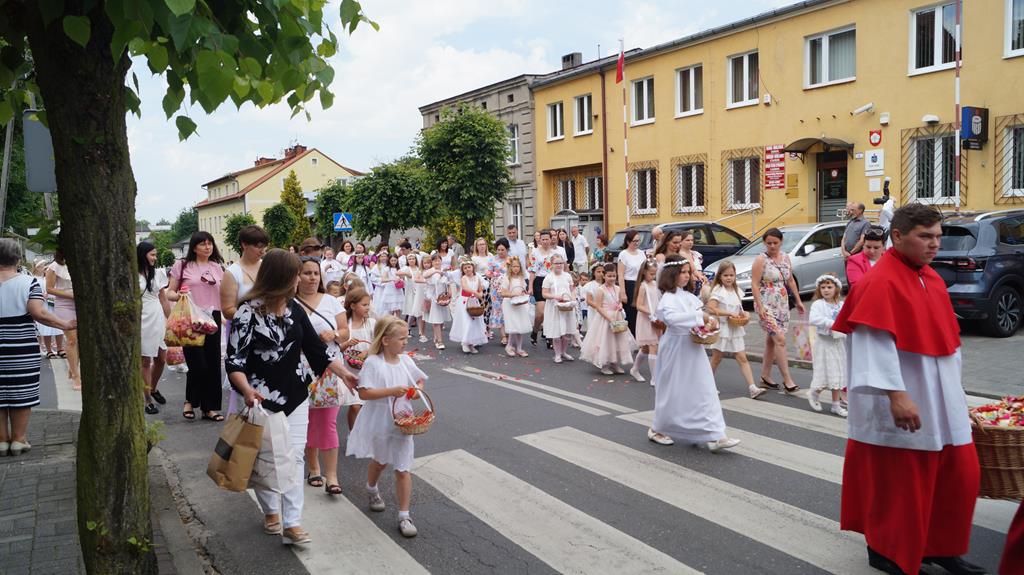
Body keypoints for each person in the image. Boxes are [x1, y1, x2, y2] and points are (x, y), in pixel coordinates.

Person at [833, 204, 985, 575]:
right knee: (902, 481)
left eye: (937, 236)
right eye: (925, 236)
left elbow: (945, 345)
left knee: (957, 474)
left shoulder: (930, 277)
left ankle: (940, 545)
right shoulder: (879, 281)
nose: (934, 244)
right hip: (903, 396)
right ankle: (887, 550)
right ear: (897, 236)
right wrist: (896, 396)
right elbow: (872, 344)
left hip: (940, 398)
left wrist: (956, 397)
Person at [226, 249, 358, 546]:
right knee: (268, 457)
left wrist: (344, 373)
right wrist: (246, 390)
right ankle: (271, 510)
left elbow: (316, 350)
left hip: (297, 395)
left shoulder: (294, 308)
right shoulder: (248, 312)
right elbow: (234, 360)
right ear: (281, 277)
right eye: (296, 274)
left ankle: (293, 522)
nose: (301, 279)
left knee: (294, 456)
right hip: (261, 398)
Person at [647, 255, 741, 452]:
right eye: (682, 272)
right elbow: (672, 319)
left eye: (688, 272)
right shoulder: (667, 299)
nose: (686, 276)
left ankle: (715, 435)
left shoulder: (688, 296)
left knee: (704, 388)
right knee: (673, 390)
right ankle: (658, 428)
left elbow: (701, 314)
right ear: (672, 275)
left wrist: (709, 321)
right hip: (675, 348)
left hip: (693, 348)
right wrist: (700, 317)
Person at [346, 316, 427, 538]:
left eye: (406, 337)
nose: (405, 342)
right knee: (380, 461)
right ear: (385, 340)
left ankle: (404, 515)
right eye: (401, 338)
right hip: (381, 418)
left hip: (403, 420)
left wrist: (416, 390)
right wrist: (392, 391)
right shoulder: (373, 363)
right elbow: (363, 392)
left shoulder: (406, 361)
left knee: (403, 467)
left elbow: (419, 380)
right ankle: (372, 488)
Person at [0, 240, 75, 456]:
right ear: (17, 258)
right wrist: (65, 324)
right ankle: (19, 439)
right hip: (20, 345)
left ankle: (2, 440)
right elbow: (39, 313)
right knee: (22, 391)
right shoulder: (28, 282)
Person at [295, 256, 352, 496]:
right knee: (305, 421)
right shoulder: (289, 302)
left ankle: (332, 476)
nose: (311, 277)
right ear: (297, 276)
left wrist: (334, 334)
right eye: (306, 273)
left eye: (315, 273)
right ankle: (314, 467)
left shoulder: (330, 301)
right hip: (298, 369)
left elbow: (345, 332)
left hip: (329, 369)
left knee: (327, 422)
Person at [167, 231, 227, 421]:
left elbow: (224, 294)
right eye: (203, 244)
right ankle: (190, 401)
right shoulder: (183, 265)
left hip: (212, 317)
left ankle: (210, 408)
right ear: (194, 247)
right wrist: (179, 295)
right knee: (197, 364)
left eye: (210, 243)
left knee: (212, 363)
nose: (207, 247)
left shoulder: (217, 267)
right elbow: (169, 292)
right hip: (190, 317)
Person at [750, 228, 806, 394]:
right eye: (769, 243)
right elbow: (754, 283)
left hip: (781, 303)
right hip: (766, 303)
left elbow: (790, 280)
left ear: (781, 242)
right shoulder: (761, 259)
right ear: (764, 243)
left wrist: (798, 300)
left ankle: (765, 376)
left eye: (775, 243)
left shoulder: (786, 258)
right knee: (780, 339)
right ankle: (787, 379)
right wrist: (760, 306)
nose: (772, 246)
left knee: (771, 340)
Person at [705, 261, 764, 400]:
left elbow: (739, 309)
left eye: (731, 275)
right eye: (726, 275)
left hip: (735, 328)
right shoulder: (718, 291)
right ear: (720, 276)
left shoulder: (737, 291)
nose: (729, 278)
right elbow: (711, 308)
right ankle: (706, 384)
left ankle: (752, 387)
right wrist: (728, 314)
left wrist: (746, 315)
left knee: (742, 357)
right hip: (723, 328)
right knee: (716, 359)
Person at [580, 263, 635, 375]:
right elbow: (599, 306)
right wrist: (608, 317)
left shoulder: (618, 288)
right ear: (604, 276)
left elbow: (619, 301)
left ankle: (615, 363)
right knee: (606, 340)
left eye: (614, 276)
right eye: (609, 276)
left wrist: (620, 306)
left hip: (616, 316)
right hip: (605, 317)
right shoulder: (601, 290)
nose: (612, 278)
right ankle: (604, 364)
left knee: (617, 340)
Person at [807, 274, 847, 417]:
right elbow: (814, 319)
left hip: (837, 342)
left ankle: (835, 405)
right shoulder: (818, 304)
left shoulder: (841, 305)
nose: (826, 290)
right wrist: (832, 323)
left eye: (829, 287)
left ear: (836, 288)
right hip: (824, 343)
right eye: (823, 287)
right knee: (826, 372)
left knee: (837, 373)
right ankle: (814, 392)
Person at [138, 242, 169, 415]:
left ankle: (154, 388)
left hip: (157, 316)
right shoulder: (132, 275)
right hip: (142, 318)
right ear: (143, 255)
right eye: (152, 254)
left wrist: (171, 320)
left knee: (161, 358)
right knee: (145, 360)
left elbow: (163, 299)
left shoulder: (158, 274)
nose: (155, 258)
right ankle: (147, 399)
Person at [45, 249, 80, 390]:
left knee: (79, 340)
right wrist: (70, 295)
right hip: (64, 304)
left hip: (80, 304)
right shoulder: (54, 267)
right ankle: (76, 378)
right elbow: (49, 289)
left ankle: (73, 369)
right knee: (71, 339)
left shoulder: (79, 264)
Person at [221, 225, 268, 320]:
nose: (262, 251)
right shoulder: (232, 272)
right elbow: (227, 310)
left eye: (265, 246)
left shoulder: (268, 266)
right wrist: (255, 313)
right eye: (258, 247)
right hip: (245, 329)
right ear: (244, 245)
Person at [528, 229, 561, 346]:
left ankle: (549, 337)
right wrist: (530, 287)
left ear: (551, 239)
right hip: (539, 281)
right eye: (543, 239)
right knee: (541, 313)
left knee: (550, 312)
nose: (546, 241)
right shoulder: (535, 253)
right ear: (539, 240)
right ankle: (535, 331)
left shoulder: (555, 253)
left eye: (547, 239)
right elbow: (532, 271)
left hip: (552, 282)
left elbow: (560, 268)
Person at [542, 254, 577, 363]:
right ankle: (557, 354)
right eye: (556, 263)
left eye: (561, 263)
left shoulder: (567, 276)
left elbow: (572, 290)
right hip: (554, 307)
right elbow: (544, 294)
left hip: (566, 306)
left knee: (567, 330)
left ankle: (564, 352)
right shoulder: (549, 277)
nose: (559, 265)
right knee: (556, 331)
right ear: (551, 264)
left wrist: (572, 298)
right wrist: (555, 297)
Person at [630, 259, 659, 382]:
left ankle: (635, 369)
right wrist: (650, 312)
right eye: (651, 273)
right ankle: (654, 377)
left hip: (654, 319)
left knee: (646, 349)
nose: (653, 276)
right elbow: (639, 305)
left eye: (655, 273)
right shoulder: (643, 286)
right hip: (646, 319)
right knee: (653, 347)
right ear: (644, 272)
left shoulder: (655, 284)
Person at [452, 258, 487, 354]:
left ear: (473, 268)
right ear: (462, 270)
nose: (467, 269)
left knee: (474, 322)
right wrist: (476, 293)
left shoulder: (477, 278)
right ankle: (465, 342)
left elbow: (480, 289)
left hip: (474, 301)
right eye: (465, 268)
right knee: (467, 321)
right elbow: (465, 288)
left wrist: (480, 294)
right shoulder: (464, 278)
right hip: (465, 301)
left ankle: (472, 342)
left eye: (469, 267)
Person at [499, 256, 531, 357]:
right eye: (513, 266)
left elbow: (522, 290)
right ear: (510, 267)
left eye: (518, 266)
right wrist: (513, 295)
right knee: (514, 326)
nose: (516, 268)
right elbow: (503, 293)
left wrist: (524, 293)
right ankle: (509, 345)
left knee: (520, 326)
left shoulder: (522, 278)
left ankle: (519, 348)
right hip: (509, 304)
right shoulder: (507, 278)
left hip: (520, 303)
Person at [31, 260, 63, 358]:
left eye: (45, 267)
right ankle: (49, 350)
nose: (44, 268)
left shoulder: (48, 279)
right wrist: (42, 297)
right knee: (47, 327)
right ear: (37, 267)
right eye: (42, 266)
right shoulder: (34, 279)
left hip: (54, 304)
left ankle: (60, 348)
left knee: (59, 327)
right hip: (44, 305)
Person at [616, 229, 646, 334]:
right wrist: (623, 292)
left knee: (640, 312)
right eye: (635, 241)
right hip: (629, 284)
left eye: (638, 240)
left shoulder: (642, 253)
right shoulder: (624, 254)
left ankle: (640, 336)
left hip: (640, 284)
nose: (637, 243)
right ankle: (632, 337)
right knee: (631, 313)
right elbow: (621, 274)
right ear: (628, 242)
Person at [422, 254, 451, 349]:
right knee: (436, 320)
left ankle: (436, 337)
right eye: (435, 261)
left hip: (443, 296)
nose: (437, 262)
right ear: (432, 262)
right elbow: (424, 275)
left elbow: (449, 281)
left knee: (441, 319)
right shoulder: (430, 271)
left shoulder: (445, 270)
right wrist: (437, 271)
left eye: (439, 260)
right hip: (434, 297)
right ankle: (439, 341)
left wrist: (450, 292)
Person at [486, 239, 510, 345]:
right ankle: (503, 336)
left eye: (502, 249)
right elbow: (488, 272)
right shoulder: (492, 260)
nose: (500, 252)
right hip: (496, 289)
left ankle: (509, 333)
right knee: (499, 310)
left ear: (507, 249)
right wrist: (494, 274)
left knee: (508, 310)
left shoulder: (512, 259)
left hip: (508, 287)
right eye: (498, 250)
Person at [399, 254, 424, 341]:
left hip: (419, 292)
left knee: (420, 312)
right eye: (409, 259)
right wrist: (406, 274)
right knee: (412, 312)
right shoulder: (406, 268)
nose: (411, 260)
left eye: (413, 258)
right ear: (407, 260)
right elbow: (397, 273)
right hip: (410, 293)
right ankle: (408, 328)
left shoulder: (418, 268)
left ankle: (421, 332)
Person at [678, 230, 707, 296]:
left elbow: (697, 269)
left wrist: (702, 275)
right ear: (681, 242)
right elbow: (692, 270)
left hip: (699, 282)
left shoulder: (695, 254)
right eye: (687, 240)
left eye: (692, 240)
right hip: (690, 284)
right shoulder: (681, 254)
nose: (690, 242)